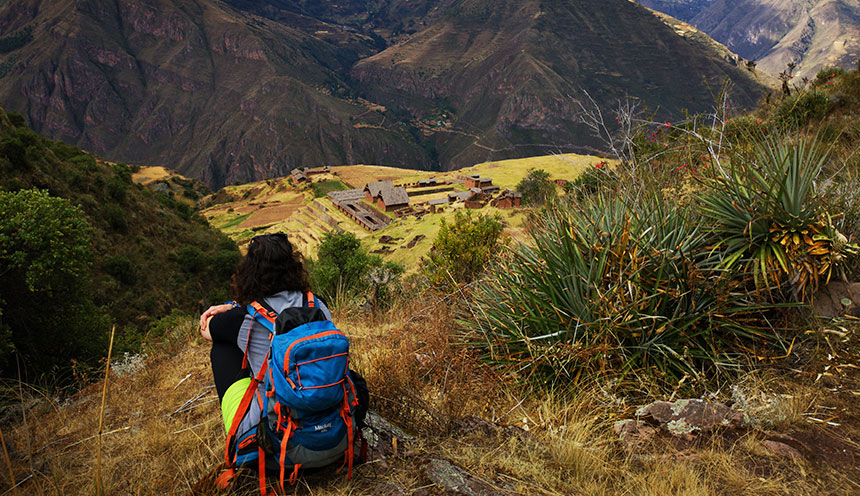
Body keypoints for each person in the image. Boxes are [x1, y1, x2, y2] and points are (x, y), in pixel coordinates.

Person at [198, 232, 366, 441]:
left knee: (223, 347)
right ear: (293, 265)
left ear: (249, 271)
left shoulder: (242, 319)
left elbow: (206, 330)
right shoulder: (318, 305)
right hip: (334, 429)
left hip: (274, 437)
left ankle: (239, 432)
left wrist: (232, 309)